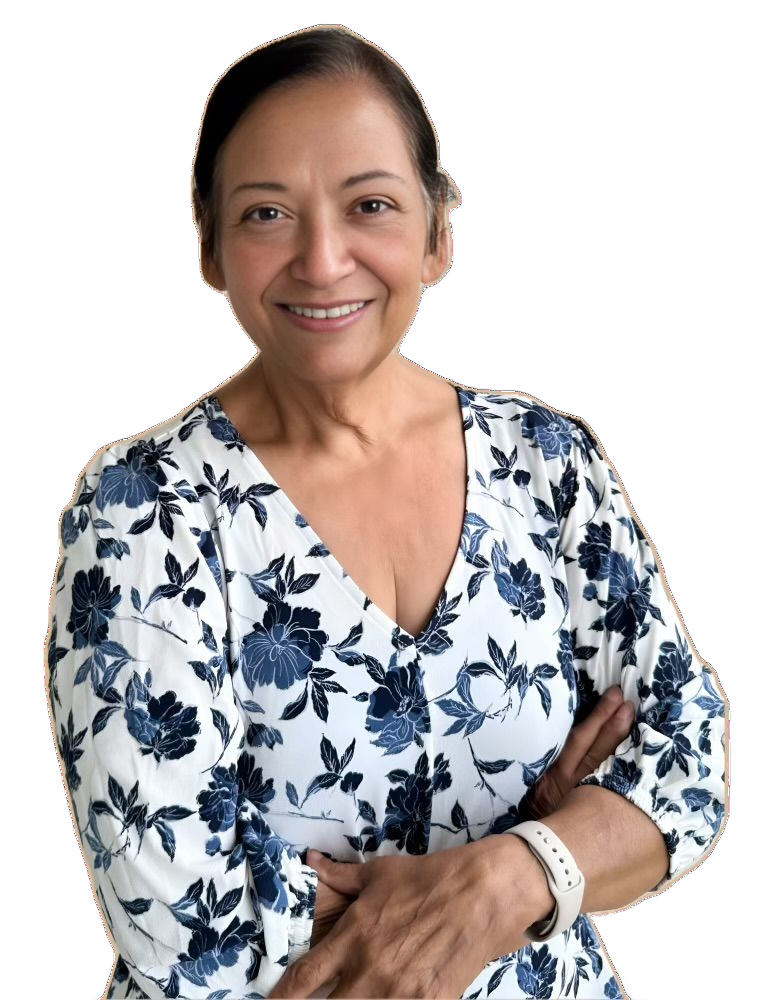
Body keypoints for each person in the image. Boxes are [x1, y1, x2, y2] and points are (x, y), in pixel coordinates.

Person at [45, 26, 728, 1000]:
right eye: (266, 213)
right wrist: (572, 833)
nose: (322, 261)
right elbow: (178, 911)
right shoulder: (143, 509)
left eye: (368, 204)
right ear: (207, 246)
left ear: (438, 232)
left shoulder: (545, 459)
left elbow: (688, 752)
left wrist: (506, 874)